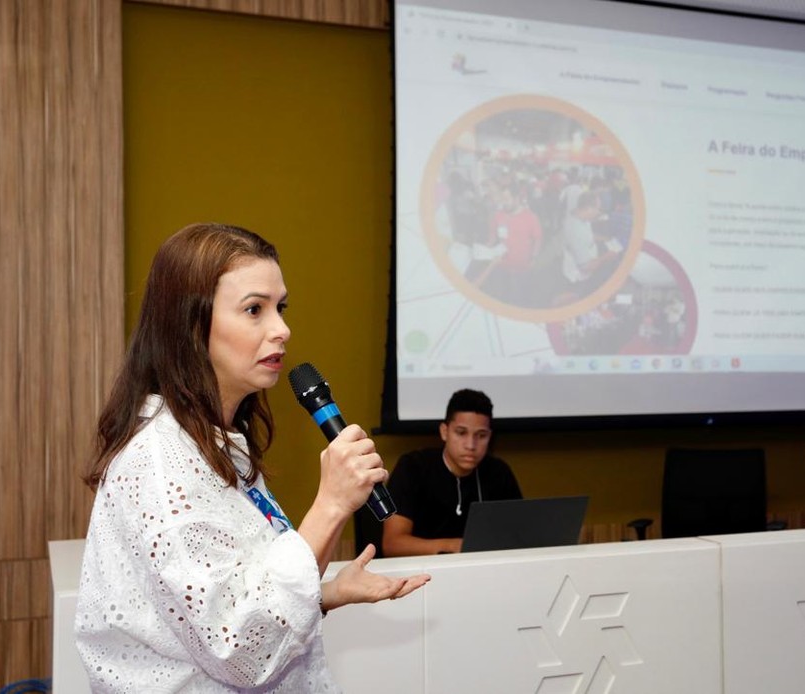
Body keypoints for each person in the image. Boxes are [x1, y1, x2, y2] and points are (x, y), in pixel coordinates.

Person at [75, 223, 429, 692]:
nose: (282, 329)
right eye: (254, 310)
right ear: (190, 324)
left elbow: (223, 604)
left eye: (280, 308)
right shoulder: (160, 465)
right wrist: (330, 505)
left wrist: (325, 596)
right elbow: (238, 651)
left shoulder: (216, 442)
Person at [381, 389, 521, 556]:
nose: (471, 445)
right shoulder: (413, 467)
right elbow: (393, 544)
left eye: (481, 435)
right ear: (444, 431)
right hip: (421, 573)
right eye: (461, 433)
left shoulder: (499, 472)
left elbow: (519, 536)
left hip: (482, 571)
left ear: (490, 436)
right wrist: (457, 546)